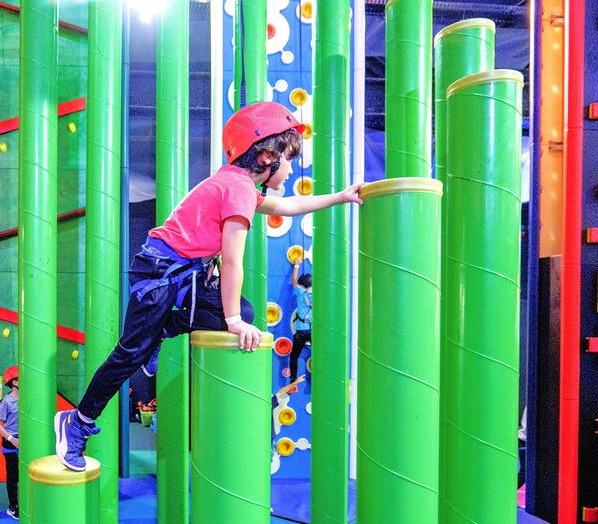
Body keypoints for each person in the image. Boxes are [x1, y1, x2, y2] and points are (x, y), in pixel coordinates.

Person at [54, 101, 366, 472]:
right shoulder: (237, 189)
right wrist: (233, 319)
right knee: (130, 353)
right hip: (159, 276)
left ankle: (160, 333)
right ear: (267, 157)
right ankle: (78, 423)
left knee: (243, 311)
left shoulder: (239, 185)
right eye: (288, 157)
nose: (291, 166)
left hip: (185, 275)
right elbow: (233, 259)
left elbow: (287, 207)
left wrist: (342, 197)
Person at [0, 366, 20, 520]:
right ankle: (13, 506)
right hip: (11, 442)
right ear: (14, 382)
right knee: (12, 476)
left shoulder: (26, 397)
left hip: (25, 440)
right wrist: (12, 439)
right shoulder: (7, 402)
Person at [288, 256, 312, 386]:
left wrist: (296, 265)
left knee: (294, 356)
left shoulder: (300, 292)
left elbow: (293, 280)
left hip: (301, 331)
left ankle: (293, 381)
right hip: (314, 331)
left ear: (302, 285)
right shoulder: (319, 294)